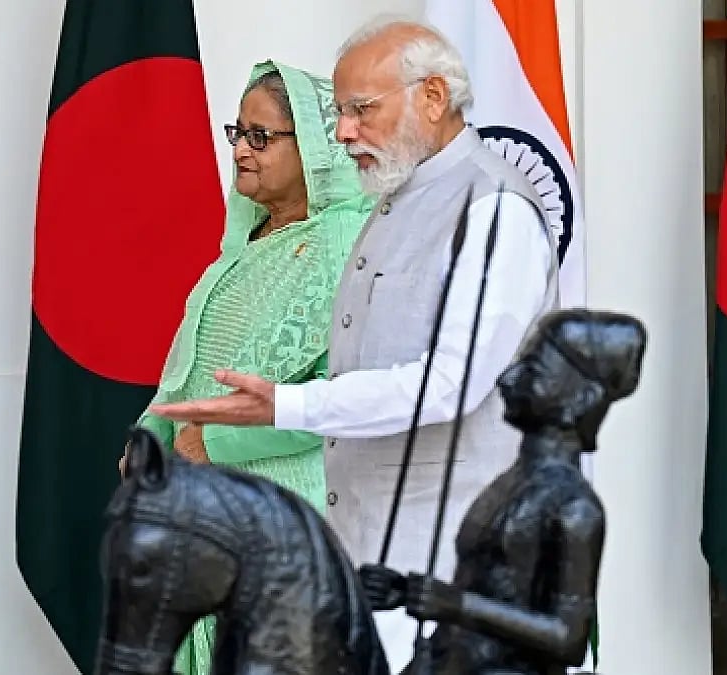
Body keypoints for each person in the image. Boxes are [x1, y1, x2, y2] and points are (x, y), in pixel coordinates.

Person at [147, 16, 560, 671]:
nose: (341, 133)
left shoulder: (493, 208)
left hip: (453, 567)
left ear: (432, 97)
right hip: (367, 562)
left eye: (362, 110)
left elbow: (446, 385)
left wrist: (282, 407)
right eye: (339, 113)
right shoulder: (393, 206)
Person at [123, 60, 375, 675]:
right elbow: (193, 368)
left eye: (260, 137)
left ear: (312, 148)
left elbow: (348, 394)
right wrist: (153, 436)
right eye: (237, 132)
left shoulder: (345, 244)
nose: (240, 150)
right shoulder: (246, 245)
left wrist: (213, 443)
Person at [359, 309, 646, 674]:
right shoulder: (512, 482)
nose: (507, 379)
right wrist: (404, 590)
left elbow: (569, 638)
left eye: (533, 369)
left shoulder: (575, 508)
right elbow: (491, 586)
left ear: (582, 398)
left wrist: (456, 605)